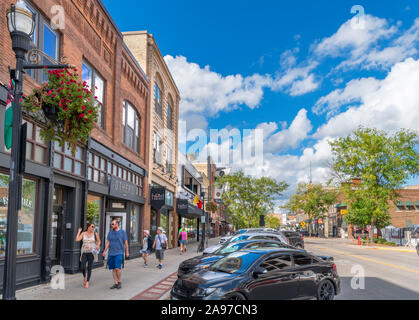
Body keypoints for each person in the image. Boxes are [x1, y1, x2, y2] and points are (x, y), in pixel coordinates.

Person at [102, 219, 129, 289]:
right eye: (111, 224)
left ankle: (119, 281)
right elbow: (108, 242)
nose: (112, 225)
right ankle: (115, 283)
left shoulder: (122, 232)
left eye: (113, 224)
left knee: (117, 268)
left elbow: (126, 243)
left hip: (119, 252)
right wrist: (105, 251)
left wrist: (127, 252)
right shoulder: (110, 232)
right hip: (111, 253)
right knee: (113, 269)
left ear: (117, 224)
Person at [76, 223, 101, 288]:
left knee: (89, 267)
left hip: (91, 253)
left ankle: (87, 282)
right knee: (82, 267)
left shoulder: (95, 234)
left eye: (94, 227)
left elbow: (99, 241)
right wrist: (79, 232)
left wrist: (97, 245)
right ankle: (84, 277)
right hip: (84, 252)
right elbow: (77, 239)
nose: (93, 228)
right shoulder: (83, 233)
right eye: (92, 227)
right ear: (88, 227)